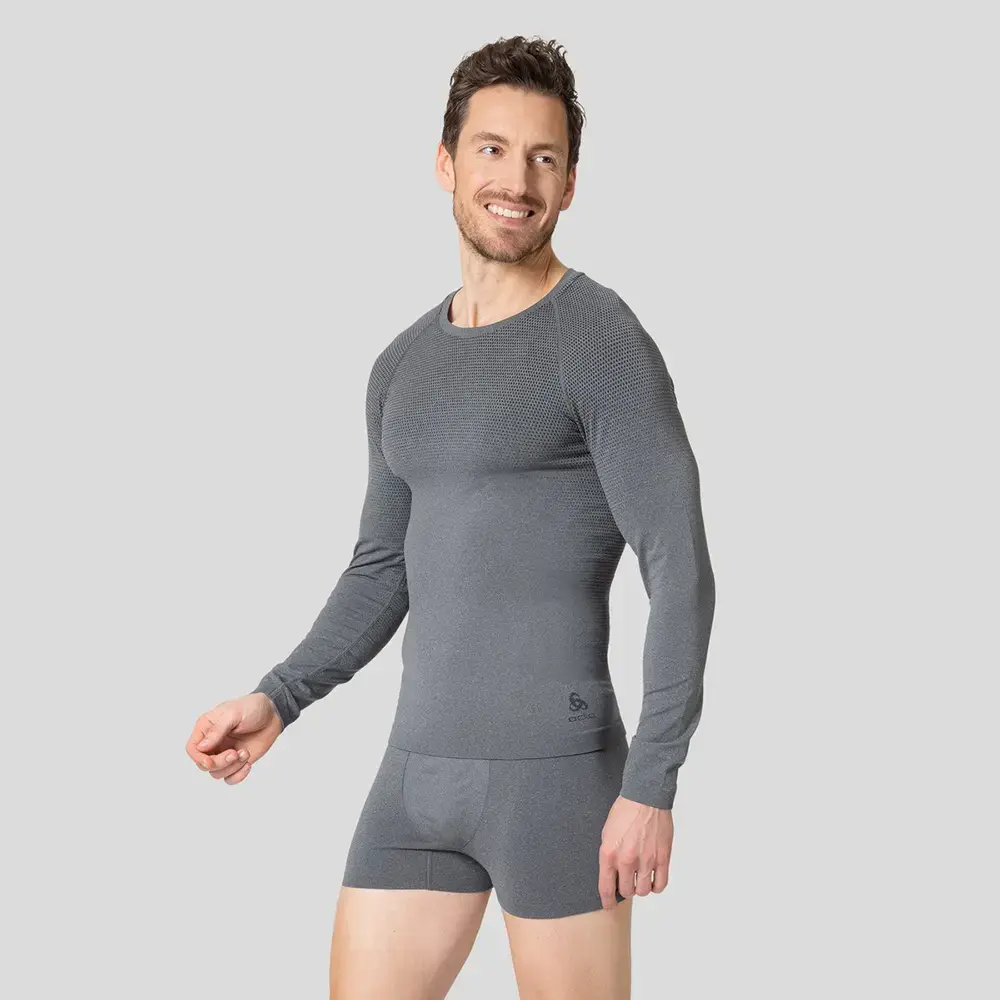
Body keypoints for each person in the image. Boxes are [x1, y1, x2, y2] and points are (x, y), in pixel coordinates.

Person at [185, 34, 716, 1000]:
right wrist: (279, 697)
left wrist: (651, 783)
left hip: (560, 783)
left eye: (544, 157)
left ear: (570, 184)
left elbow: (678, 567)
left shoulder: (601, 339)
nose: (517, 180)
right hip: (415, 776)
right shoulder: (401, 365)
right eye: (492, 149)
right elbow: (382, 567)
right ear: (445, 163)